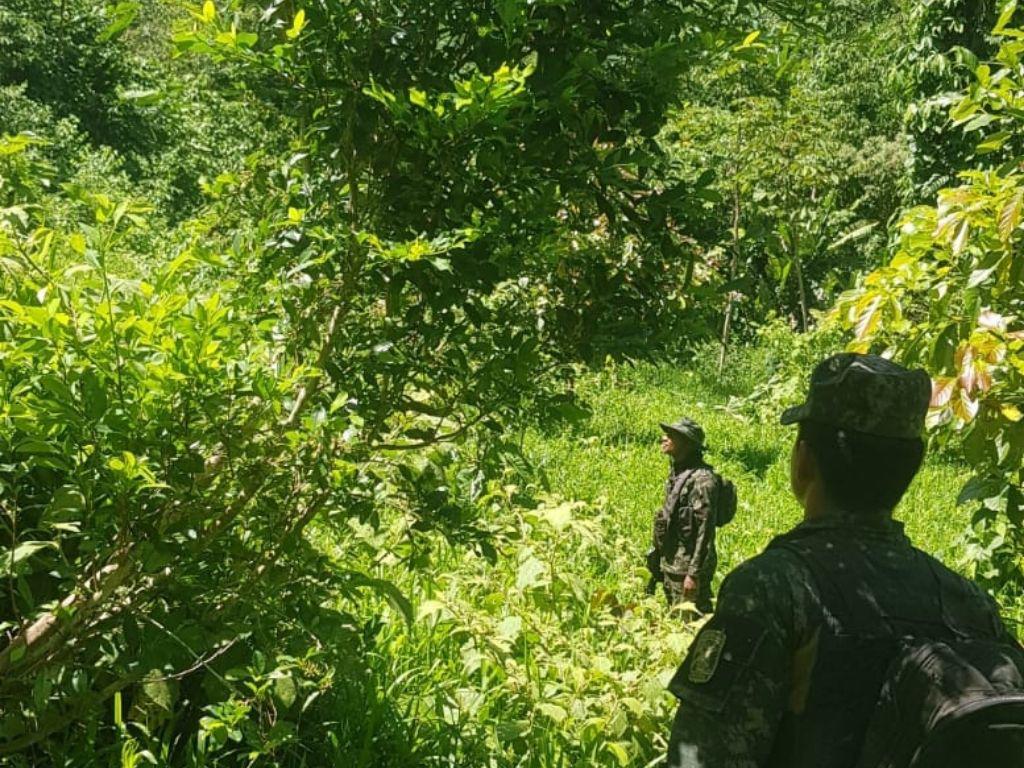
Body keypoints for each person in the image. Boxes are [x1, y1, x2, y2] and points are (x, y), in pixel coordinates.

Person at [665, 353, 1024, 768]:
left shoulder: (773, 588)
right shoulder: (969, 602)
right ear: (912, 468)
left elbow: (700, 758)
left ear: (803, 461)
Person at [649, 418, 721, 614]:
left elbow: (705, 530)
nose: (664, 438)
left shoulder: (703, 481)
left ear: (687, 444)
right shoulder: (678, 473)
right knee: (674, 618)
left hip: (687, 570)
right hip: (671, 565)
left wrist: (693, 574)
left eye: (671, 436)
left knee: (694, 621)